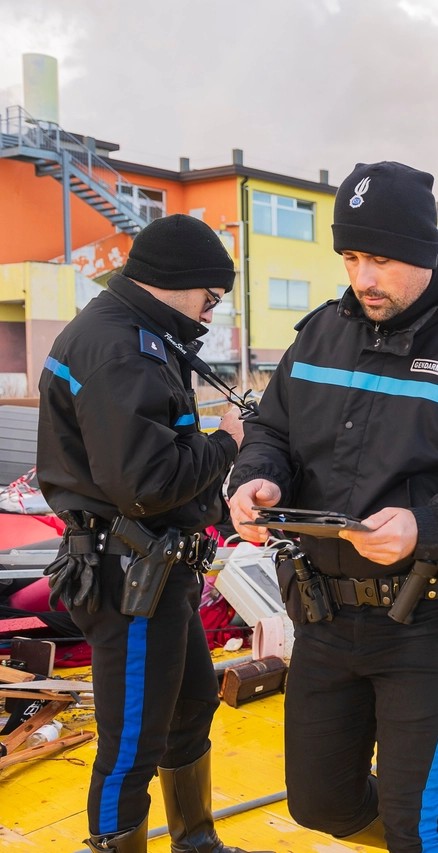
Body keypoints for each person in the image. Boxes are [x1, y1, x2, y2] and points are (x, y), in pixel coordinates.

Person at [227, 161, 438, 853]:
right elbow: (272, 431)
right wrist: (255, 478)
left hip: (426, 625)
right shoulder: (319, 335)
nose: (363, 277)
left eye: (379, 258)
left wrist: (426, 527)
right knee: (320, 805)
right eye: (351, 256)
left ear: (424, 250)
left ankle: (430, 832)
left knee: (414, 824)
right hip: (321, 617)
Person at [37, 215, 267, 853]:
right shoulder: (119, 348)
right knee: (131, 741)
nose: (211, 314)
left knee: (191, 706)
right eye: (210, 299)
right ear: (177, 282)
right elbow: (145, 482)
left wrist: (222, 517)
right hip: (128, 576)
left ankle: (196, 842)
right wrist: (229, 441)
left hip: (158, 574)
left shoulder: (136, 333)